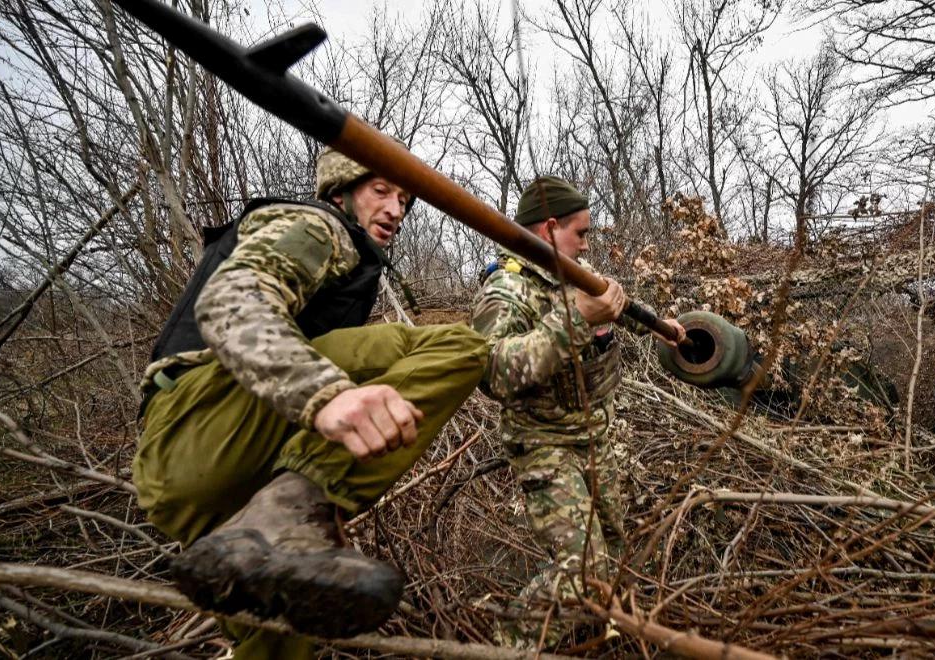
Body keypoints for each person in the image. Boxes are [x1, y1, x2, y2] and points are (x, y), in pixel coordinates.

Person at [133, 146, 488, 659]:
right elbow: (233, 301)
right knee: (457, 344)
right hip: (200, 420)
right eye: (380, 191)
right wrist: (326, 396)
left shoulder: (352, 254)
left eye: (405, 199)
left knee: (279, 619)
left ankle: (274, 520)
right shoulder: (318, 227)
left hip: (210, 477)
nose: (396, 210)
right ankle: (291, 505)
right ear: (340, 193)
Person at [470, 176, 685, 649]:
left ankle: (600, 639)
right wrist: (575, 321)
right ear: (549, 228)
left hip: (593, 440)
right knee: (585, 570)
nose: (587, 243)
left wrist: (661, 327)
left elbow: (615, 302)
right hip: (545, 447)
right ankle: (504, 646)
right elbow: (493, 372)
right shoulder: (507, 289)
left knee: (615, 556)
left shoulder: (575, 271)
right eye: (581, 233)